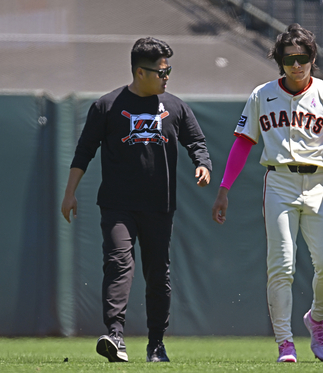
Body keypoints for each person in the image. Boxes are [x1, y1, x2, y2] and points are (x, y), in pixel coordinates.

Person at [60, 37, 212, 363]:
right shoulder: (107, 106)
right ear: (140, 72)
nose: (167, 76)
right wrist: (70, 192)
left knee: (159, 275)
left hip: (160, 206)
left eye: (169, 69)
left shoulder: (175, 107)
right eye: (162, 71)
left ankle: (156, 344)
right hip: (118, 205)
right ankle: (115, 336)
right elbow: (84, 151)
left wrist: (203, 163)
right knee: (118, 264)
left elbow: (196, 142)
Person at [211, 23, 323, 363]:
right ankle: (285, 342)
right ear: (280, 61)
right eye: (289, 59)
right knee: (282, 266)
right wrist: (224, 189)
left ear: (312, 58)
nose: (297, 65)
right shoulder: (262, 94)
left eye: (303, 58)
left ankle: (316, 319)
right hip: (280, 182)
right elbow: (243, 143)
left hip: (319, 184)